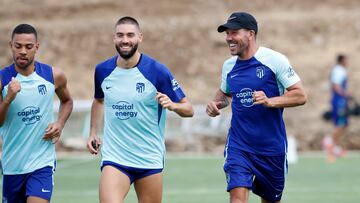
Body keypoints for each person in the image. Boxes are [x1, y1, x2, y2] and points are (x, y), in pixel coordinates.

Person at [86, 16, 194, 203]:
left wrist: (173, 105)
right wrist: (93, 132)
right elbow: (99, 100)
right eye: (120, 35)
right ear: (114, 38)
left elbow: (189, 109)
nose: (125, 40)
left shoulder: (158, 71)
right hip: (115, 157)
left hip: (149, 158)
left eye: (130, 35)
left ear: (140, 37)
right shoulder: (102, 70)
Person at [206, 12, 307, 203]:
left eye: (234, 32)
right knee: (237, 198)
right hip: (239, 146)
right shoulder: (228, 66)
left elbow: (300, 95)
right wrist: (216, 104)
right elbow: (225, 93)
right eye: (227, 33)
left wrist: (271, 101)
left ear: (251, 34)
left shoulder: (274, 60)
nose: (228, 38)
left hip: (271, 149)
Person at [0, 24, 73, 203]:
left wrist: (60, 124)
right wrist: (8, 98)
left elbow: (67, 101)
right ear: (11, 46)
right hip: (12, 166)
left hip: (42, 163)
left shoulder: (53, 76)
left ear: (37, 47)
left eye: (28, 46)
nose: (23, 51)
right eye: (18, 46)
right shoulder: (2, 79)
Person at [323, 54, 349, 162]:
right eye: (346, 60)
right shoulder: (339, 70)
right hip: (339, 101)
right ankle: (329, 144)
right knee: (340, 124)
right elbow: (336, 85)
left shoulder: (340, 70)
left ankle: (336, 147)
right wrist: (344, 95)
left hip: (340, 100)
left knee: (344, 124)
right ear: (342, 60)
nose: (348, 61)